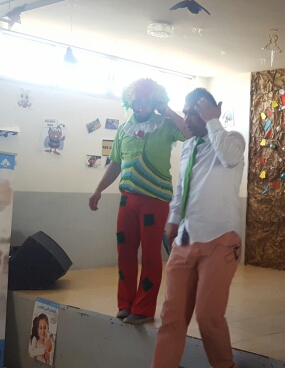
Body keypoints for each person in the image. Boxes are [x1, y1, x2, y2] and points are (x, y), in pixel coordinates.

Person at [152, 88, 245, 368]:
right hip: (185, 241)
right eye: (186, 112)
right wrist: (172, 220)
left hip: (221, 241)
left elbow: (230, 158)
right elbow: (181, 188)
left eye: (194, 112)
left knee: (208, 317)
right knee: (171, 317)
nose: (187, 118)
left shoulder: (232, 139)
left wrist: (213, 120)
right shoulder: (188, 147)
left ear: (212, 111)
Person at [89, 78, 190, 325]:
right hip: (128, 201)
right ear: (130, 101)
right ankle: (125, 304)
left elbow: (190, 133)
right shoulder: (124, 129)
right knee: (124, 252)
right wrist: (98, 190)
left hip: (155, 200)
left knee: (151, 255)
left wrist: (167, 110)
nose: (142, 106)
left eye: (147, 101)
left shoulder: (165, 124)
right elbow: (115, 164)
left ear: (155, 101)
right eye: (138, 101)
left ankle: (143, 308)